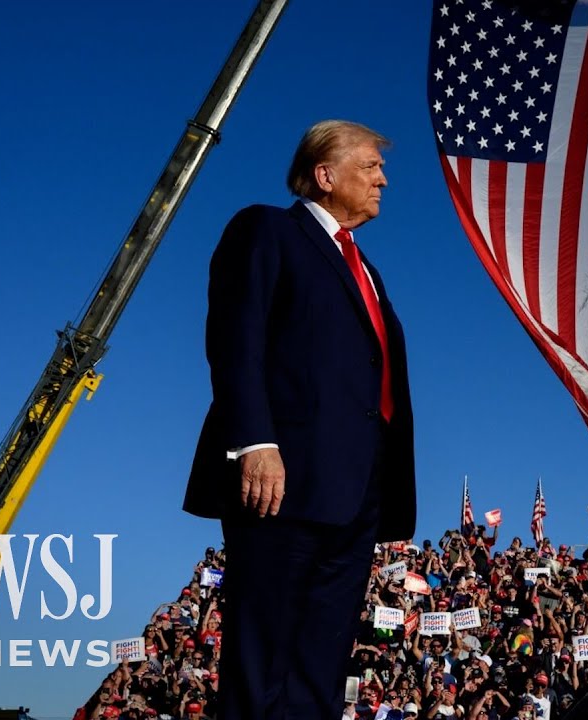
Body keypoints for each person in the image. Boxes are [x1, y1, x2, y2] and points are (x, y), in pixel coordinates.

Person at [183, 119, 416, 719]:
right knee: (263, 659)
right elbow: (237, 340)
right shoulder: (267, 230)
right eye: (370, 165)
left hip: (356, 492)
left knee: (321, 669)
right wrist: (255, 442)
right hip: (281, 483)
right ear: (324, 174)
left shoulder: (369, 270)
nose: (383, 178)